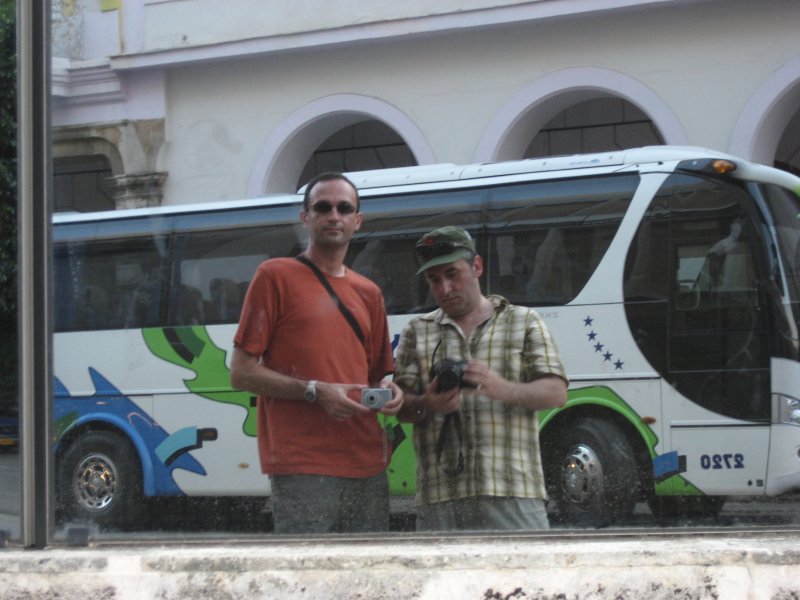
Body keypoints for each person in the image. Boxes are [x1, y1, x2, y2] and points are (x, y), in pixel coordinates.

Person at [230, 172, 403, 534]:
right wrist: (314, 390)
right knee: (307, 567)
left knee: (369, 567)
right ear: (305, 217)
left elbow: (375, 378)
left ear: (358, 220)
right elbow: (242, 373)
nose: (334, 216)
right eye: (323, 207)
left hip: (366, 462)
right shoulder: (274, 276)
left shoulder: (369, 293)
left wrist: (390, 391)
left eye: (344, 208)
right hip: (303, 464)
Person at [394, 226, 568, 531]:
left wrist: (502, 388)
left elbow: (556, 393)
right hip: (440, 494)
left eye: (452, 274)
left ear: (477, 266)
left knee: (522, 565)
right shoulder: (417, 331)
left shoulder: (524, 320)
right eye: (434, 280)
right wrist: (428, 403)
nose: (445, 288)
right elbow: (402, 407)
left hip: (512, 488)